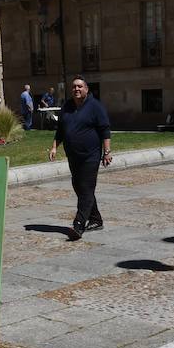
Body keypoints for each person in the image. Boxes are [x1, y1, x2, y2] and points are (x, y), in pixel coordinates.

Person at [47, 76, 112, 240]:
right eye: (74, 87)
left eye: (80, 86)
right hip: (73, 155)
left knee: (86, 188)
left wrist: (107, 152)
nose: (76, 89)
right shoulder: (67, 106)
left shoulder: (95, 107)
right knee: (79, 187)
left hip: (91, 155)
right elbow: (60, 130)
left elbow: (105, 130)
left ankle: (79, 223)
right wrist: (55, 146)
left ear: (86, 89)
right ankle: (96, 219)